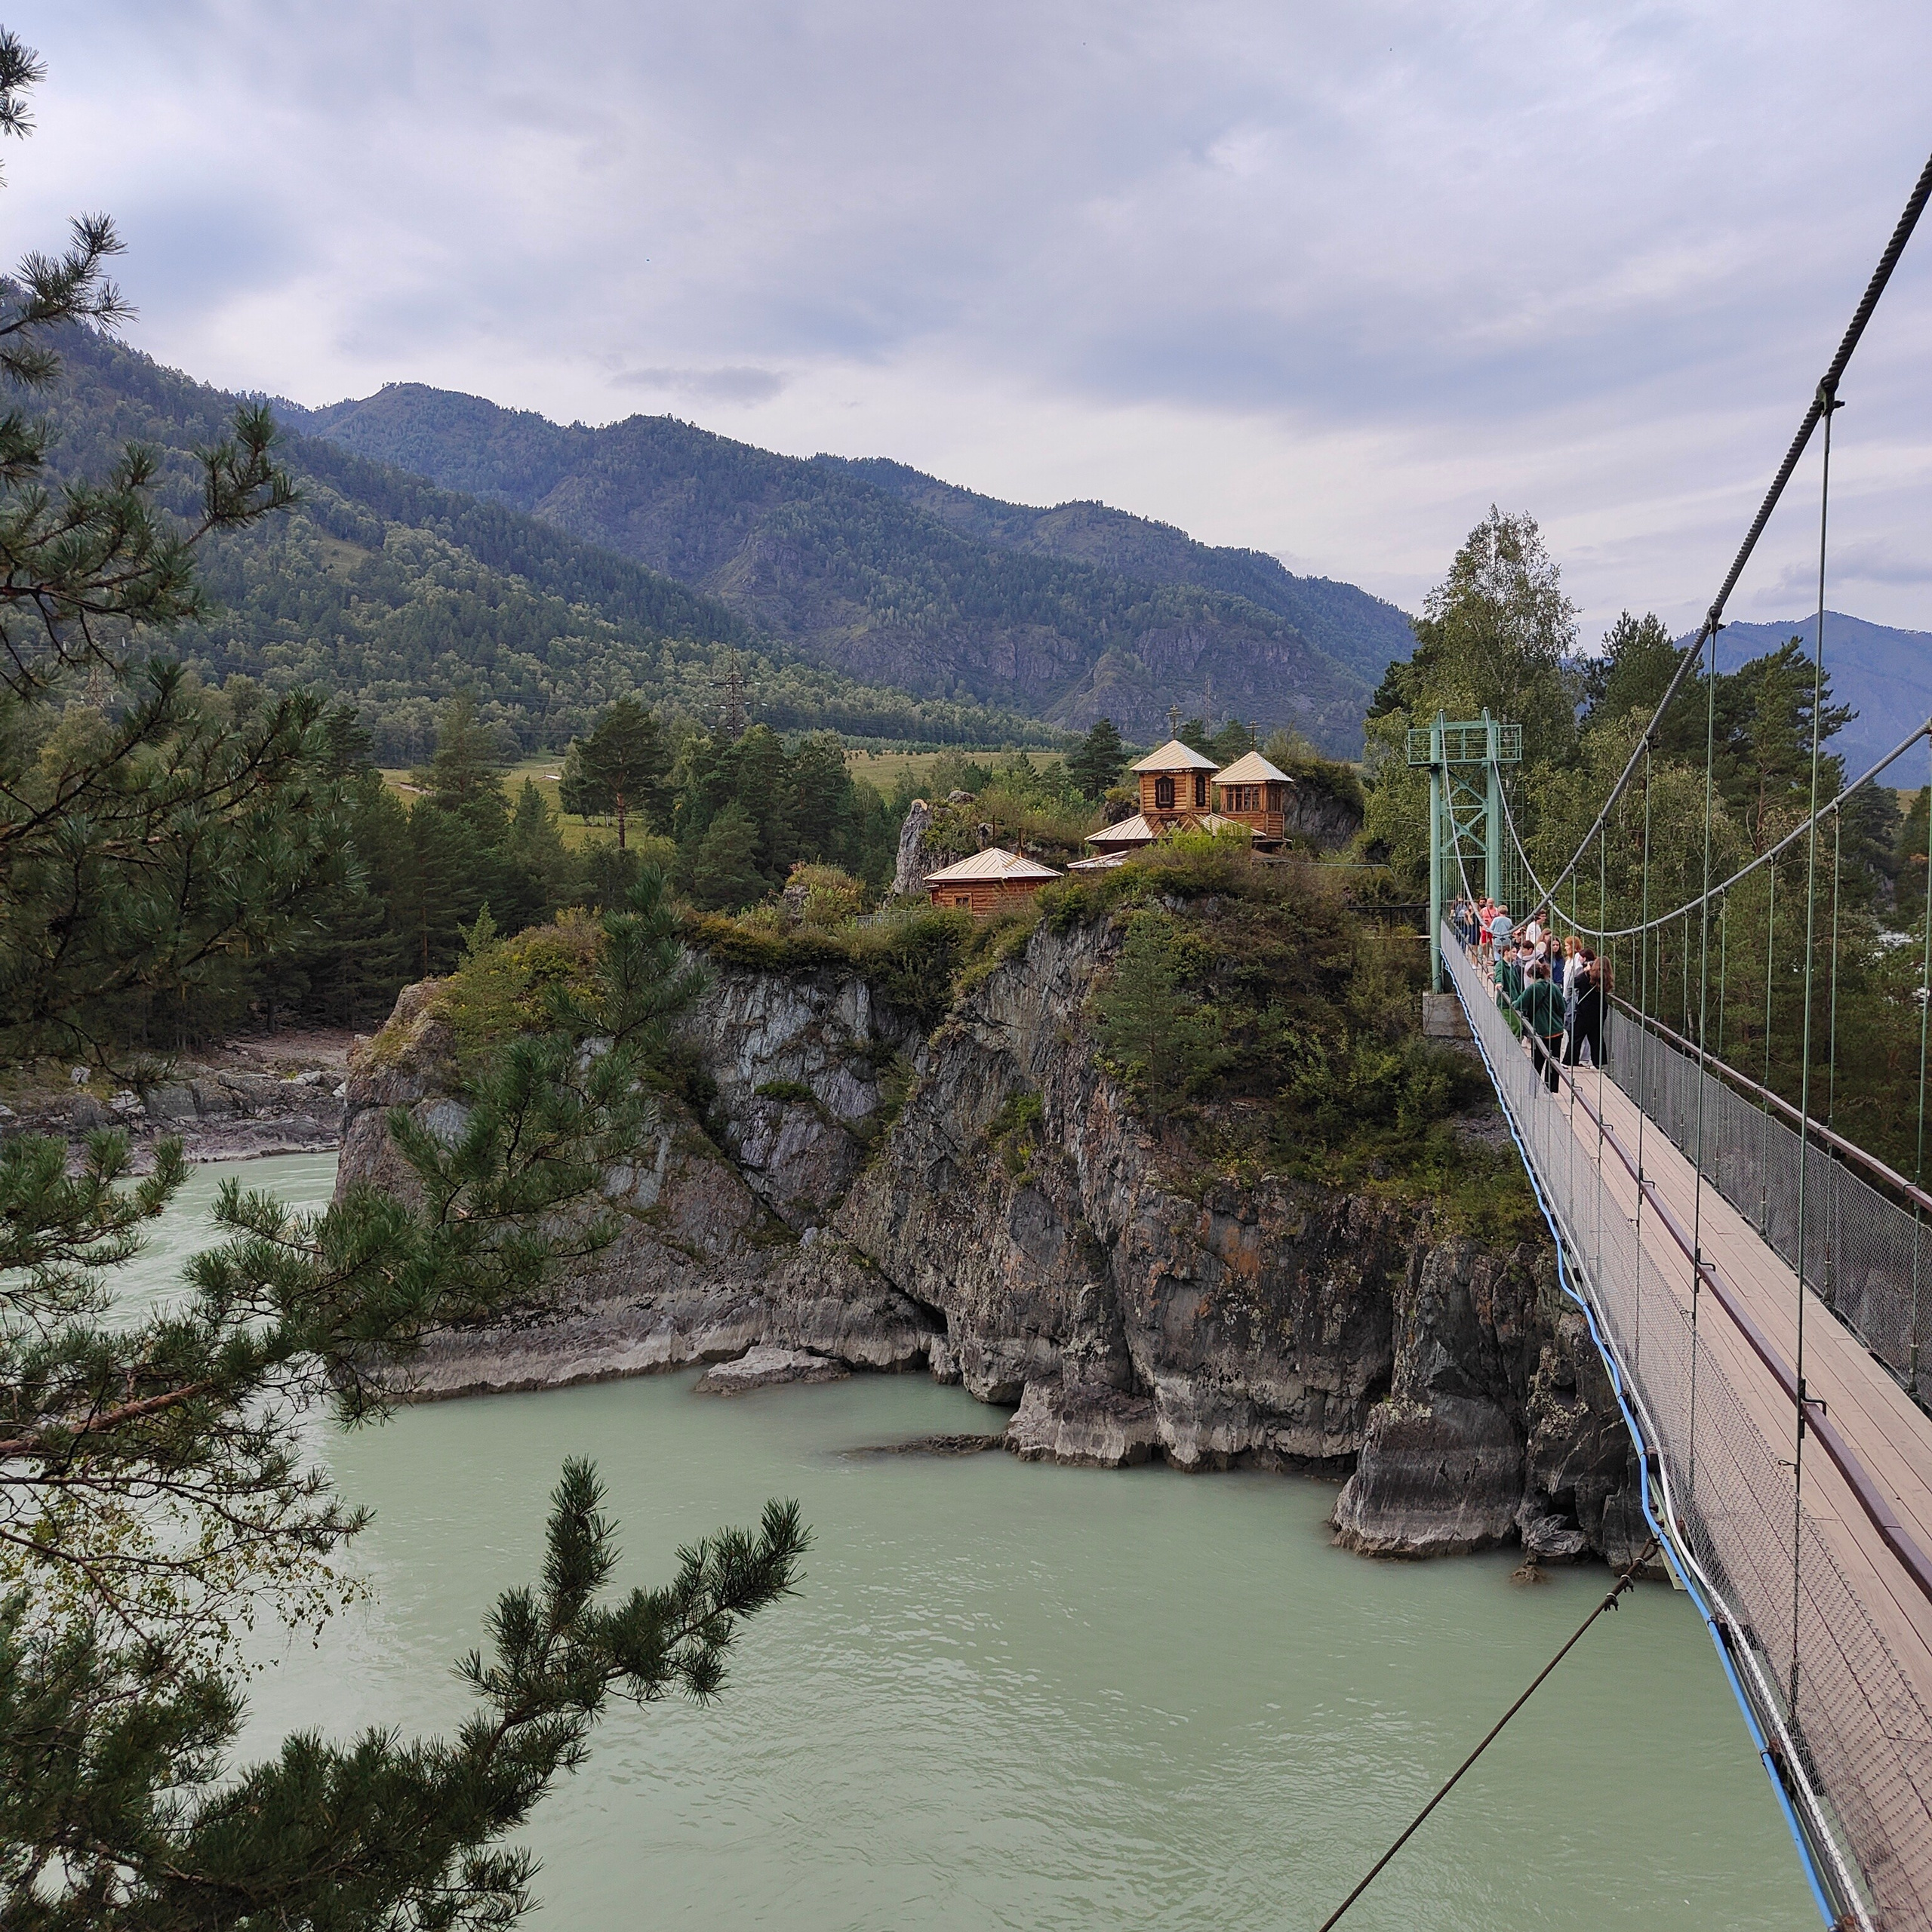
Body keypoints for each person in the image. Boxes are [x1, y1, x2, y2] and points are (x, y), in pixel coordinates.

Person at [1515, 958, 1566, 1092]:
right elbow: (1563, 1008)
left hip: (1540, 1033)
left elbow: (1518, 1004)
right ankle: (1551, 1090)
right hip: (1556, 1031)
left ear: (1532, 976)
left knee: (1537, 1062)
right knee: (1554, 1062)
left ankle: (1533, 1090)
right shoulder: (1554, 988)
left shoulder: (1532, 989)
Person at [1564, 949, 1606, 1069]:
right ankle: (1598, 1063)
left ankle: (1569, 1062)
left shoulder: (1586, 976)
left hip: (1584, 1010)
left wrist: (1585, 972)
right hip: (1600, 1010)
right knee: (1596, 1037)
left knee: (1576, 1036)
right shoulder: (1605, 978)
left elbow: (1572, 984)